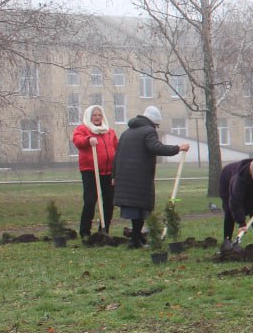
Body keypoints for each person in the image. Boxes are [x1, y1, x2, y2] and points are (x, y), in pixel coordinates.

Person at [112, 106, 190, 249]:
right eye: (157, 125)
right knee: (140, 209)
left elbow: (116, 156)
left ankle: (137, 239)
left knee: (135, 210)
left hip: (125, 176)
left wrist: (114, 175)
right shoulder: (148, 131)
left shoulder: (126, 133)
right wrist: (178, 148)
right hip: (139, 177)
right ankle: (135, 241)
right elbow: (156, 147)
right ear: (154, 122)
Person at [71, 104, 119, 238]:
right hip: (91, 170)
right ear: (89, 116)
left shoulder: (109, 131)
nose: (97, 118)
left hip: (108, 172)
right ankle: (85, 231)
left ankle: (104, 230)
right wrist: (88, 139)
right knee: (90, 200)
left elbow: (117, 147)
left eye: (99, 115)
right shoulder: (83, 129)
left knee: (109, 201)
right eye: (94, 115)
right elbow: (77, 141)